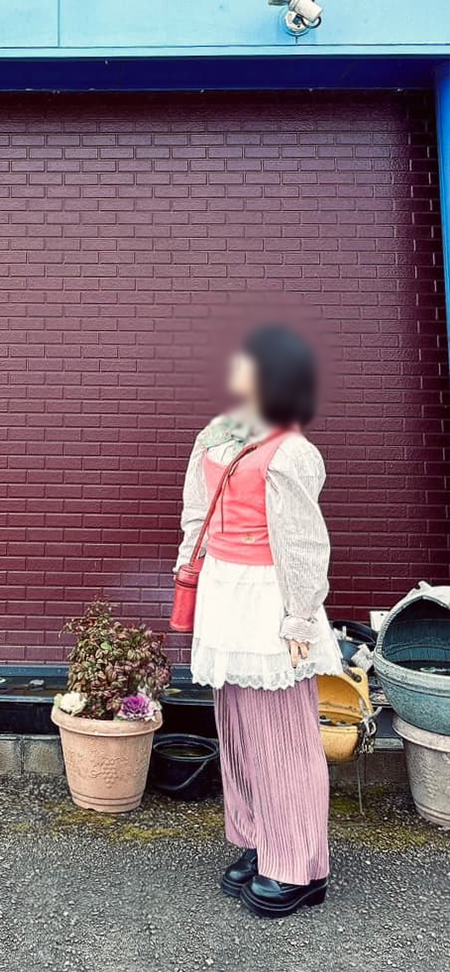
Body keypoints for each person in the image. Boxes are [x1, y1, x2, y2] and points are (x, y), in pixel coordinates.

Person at [175, 325, 343, 917]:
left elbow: (303, 543)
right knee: (240, 731)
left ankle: (297, 865)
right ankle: (257, 839)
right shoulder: (219, 434)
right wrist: (189, 567)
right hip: (225, 592)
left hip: (269, 595)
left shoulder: (292, 451)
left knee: (283, 738)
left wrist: (300, 618)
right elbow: (196, 512)